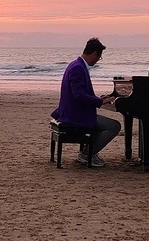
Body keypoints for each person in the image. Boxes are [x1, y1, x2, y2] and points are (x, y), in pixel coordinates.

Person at [50, 37, 121, 167]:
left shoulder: (76, 64)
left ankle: (90, 152)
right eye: (99, 57)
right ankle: (86, 154)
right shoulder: (78, 68)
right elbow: (79, 96)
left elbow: (81, 93)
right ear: (94, 53)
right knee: (114, 126)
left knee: (106, 125)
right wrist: (99, 102)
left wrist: (101, 99)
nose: (98, 60)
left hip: (73, 111)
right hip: (74, 115)